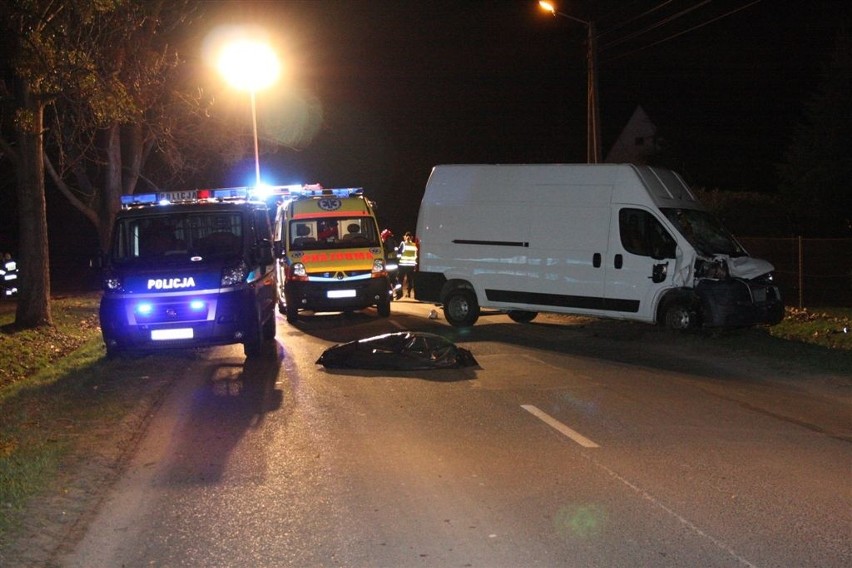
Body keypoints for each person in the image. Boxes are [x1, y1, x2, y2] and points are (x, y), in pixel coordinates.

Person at [381, 229, 402, 299]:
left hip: (388, 265)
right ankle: (399, 293)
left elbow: (385, 253)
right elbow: (398, 253)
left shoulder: (386, 243)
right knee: (394, 279)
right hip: (395, 264)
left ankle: (390, 296)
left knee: (387, 281)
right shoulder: (394, 242)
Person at [397, 231, 418, 298]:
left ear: (405, 237)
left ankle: (399, 294)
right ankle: (408, 293)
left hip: (403, 265)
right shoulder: (414, 245)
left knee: (400, 280)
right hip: (411, 265)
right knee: (410, 280)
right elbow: (416, 255)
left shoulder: (403, 244)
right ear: (412, 237)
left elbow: (398, 254)